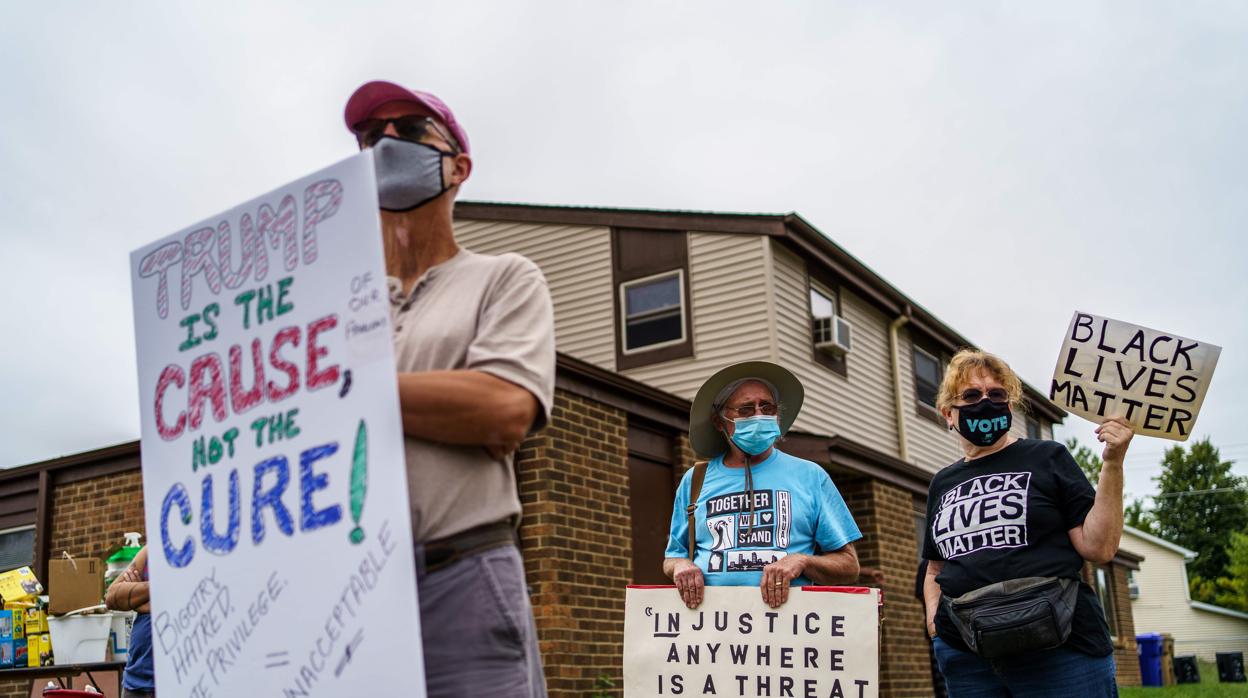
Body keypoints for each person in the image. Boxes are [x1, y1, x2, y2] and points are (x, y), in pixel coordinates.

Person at [343, 80, 555, 697]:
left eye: (407, 130)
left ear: (458, 167)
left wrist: (339, 390)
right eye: (366, 136)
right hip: (348, 593)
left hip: (460, 575)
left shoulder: (505, 280)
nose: (383, 143)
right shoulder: (336, 304)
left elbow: (502, 408)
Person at [921, 350, 1132, 696]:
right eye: (971, 395)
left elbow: (1099, 547)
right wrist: (934, 621)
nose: (985, 402)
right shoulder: (942, 483)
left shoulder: (1048, 457)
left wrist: (1113, 464)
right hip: (969, 659)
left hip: (1061, 648)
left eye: (996, 394)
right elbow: (934, 569)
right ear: (948, 414)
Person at [663, 361, 862, 609]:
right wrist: (680, 565)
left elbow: (849, 566)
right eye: (746, 410)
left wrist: (803, 561)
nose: (759, 415)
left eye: (767, 407)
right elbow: (673, 556)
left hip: (789, 631)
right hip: (712, 629)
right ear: (720, 421)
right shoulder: (695, 480)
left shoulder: (810, 476)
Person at [105, 546, 153, 698]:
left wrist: (136, 597)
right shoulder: (151, 550)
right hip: (135, 683)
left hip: (177, 682)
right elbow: (111, 597)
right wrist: (156, 589)